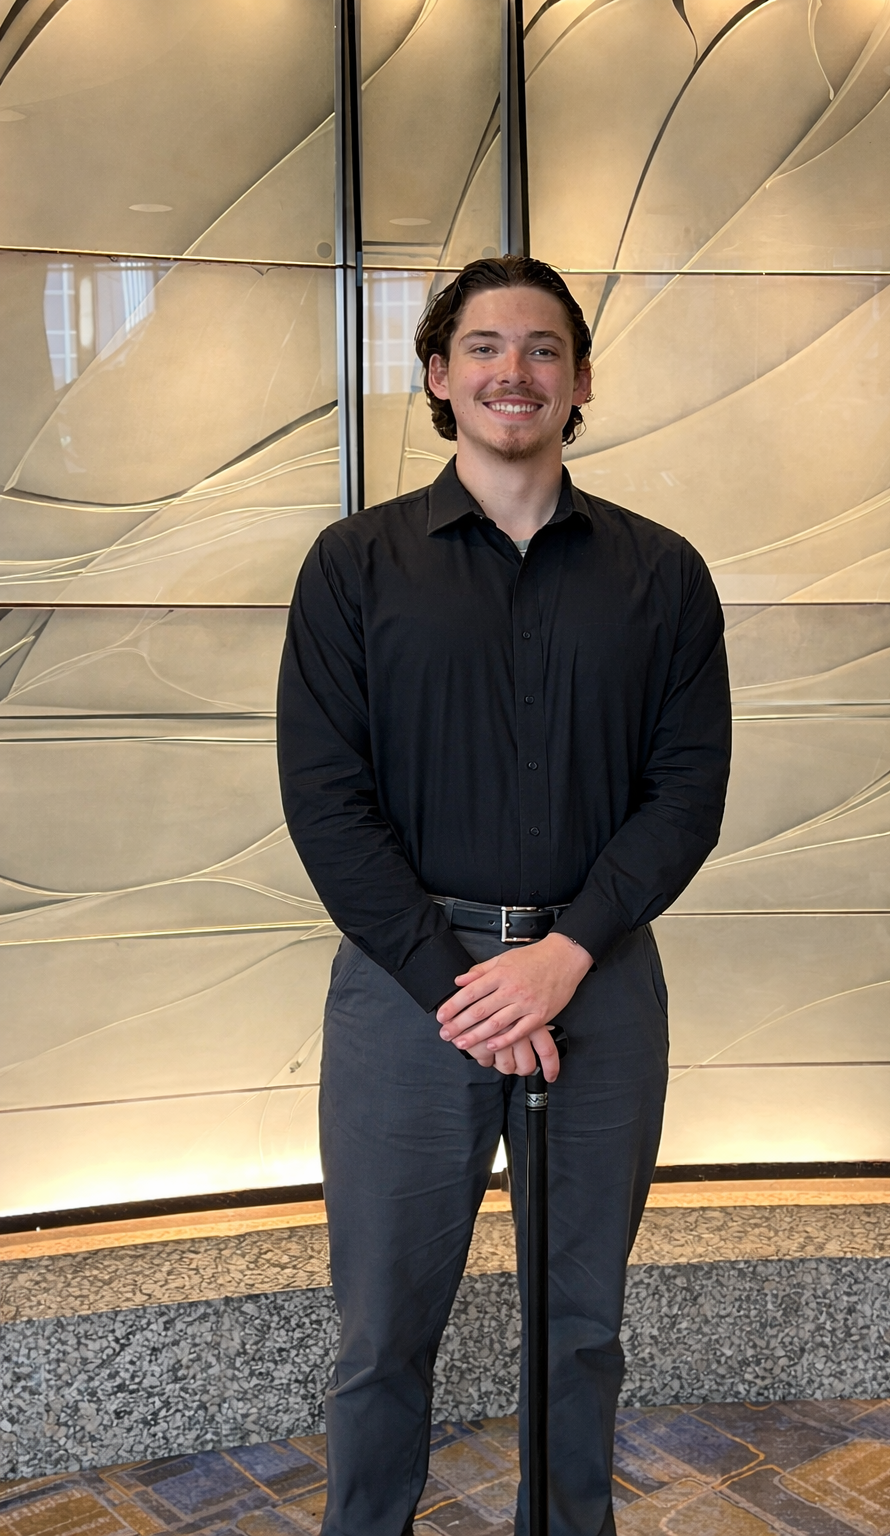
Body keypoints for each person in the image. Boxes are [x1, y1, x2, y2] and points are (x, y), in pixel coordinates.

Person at [277, 254, 731, 1536]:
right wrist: (462, 985)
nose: (510, 371)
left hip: (600, 983)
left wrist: (565, 955)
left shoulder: (662, 575)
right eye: (481, 347)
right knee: (378, 1331)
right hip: (405, 993)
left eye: (541, 349)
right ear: (436, 375)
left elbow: (685, 793)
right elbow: (327, 800)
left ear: (580, 382)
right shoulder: (354, 567)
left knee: (580, 1325)